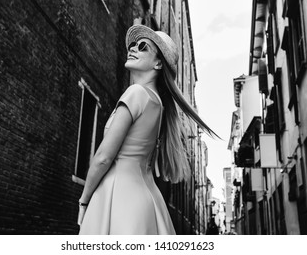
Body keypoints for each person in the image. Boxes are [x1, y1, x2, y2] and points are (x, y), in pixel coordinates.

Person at [77, 24, 219, 235]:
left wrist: (84, 200)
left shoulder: (136, 93)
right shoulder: (158, 106)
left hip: (117, 197)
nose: (133, 48)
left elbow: (103, 158)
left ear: (158, 63)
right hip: (147, 201)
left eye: (142, 47)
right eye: (133, 45)